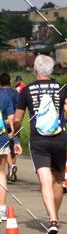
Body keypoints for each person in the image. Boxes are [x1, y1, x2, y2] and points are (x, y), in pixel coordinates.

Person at [12, 55, 67, 234]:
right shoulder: (63, 87)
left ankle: (52, 220)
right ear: (52, 70)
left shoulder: (26, 90)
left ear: (35, 70)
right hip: (59, 139)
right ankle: (56, 216)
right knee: (58, 181)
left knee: (45, 181)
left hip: (38, 141)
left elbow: (17, 118)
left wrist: (15, 133)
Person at [0, 74, 21, 184]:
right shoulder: (15, 93)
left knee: (4, 149)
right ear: (10, 81)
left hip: (2, 126)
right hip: (13, 122)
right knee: (12, 149)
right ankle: (12, 173)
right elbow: (19, 108)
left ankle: (8, 170)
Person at [0, 85, 15, 222]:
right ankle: (2, 210)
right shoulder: (5, 96)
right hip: (2, 138)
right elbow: (11, 117)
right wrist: (12, 135)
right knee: (1, 173)